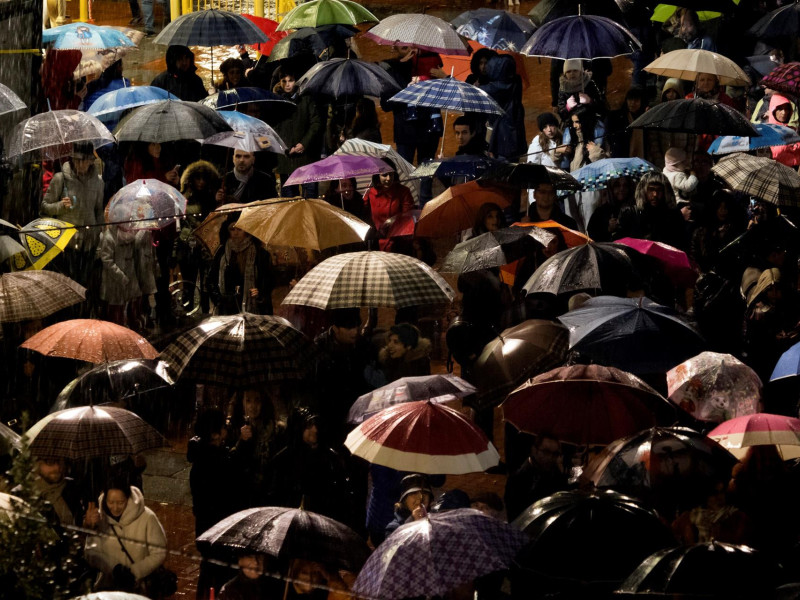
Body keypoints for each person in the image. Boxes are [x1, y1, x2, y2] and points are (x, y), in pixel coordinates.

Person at [265, 407, 354, 526]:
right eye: (308, 426)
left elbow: (340, 494)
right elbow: (275, 495)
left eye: (314, 425)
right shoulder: (283, 459)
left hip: (323, 521)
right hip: (290, 521)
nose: (315, 429)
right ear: (298, 429)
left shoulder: (330, 458)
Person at [84, 482, 167, 593]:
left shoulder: (147, 517)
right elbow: (90, 553)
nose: (115, 507)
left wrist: (135, 572)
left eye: (120, 502)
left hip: (140, 591)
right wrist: (114, 569)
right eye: (111, 502)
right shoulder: (99, 519)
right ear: (105, 500)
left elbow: (159, 553)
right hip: (108, 590)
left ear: (128, 498)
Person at [41, 142, 104, 287]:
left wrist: (99, 237)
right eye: (77, 160)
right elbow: (44, 208)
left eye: (84, 160)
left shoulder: (98, 182)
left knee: (85, 287)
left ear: (90, 161)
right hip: (66, 245)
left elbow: (98, 210)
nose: (80, 164)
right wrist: (60, 206)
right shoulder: (60, 179)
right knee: (68, 285)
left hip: (89, 245)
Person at [314, 308, 372, 446]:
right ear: (335, 328)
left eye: (356, 326)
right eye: (349, 328)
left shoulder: (361, 345)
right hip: (331, 414)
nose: (354, 331)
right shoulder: (320, 347)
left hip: (357, 410)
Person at [272, 65, 324, 197]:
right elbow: (273, 129)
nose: (287, 84)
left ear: (296, 81)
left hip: (307, 159)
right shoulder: (275, 102)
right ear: (280, 82)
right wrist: (285, 148)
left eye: (290, 80)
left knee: (311, 201)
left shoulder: (306, 99)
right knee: (289, 203)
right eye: (284, 81)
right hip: (286, 160)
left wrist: (304, 144)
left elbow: (316, 123)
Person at [208, 214, 274, 315]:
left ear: (246, 231)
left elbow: (268, 277)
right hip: (228, 304)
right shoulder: (222, 252)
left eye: (239, 229)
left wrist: (260, 292)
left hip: (252, 303)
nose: (235, 233)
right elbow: (212, 276)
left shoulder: (260, 253)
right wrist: (218, 298)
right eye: (232, 229)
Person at [178, 160, 221, 314]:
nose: (201, 182)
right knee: (188, 282)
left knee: (207, 281)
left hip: (207, 244)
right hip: (188, 244)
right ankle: (187, 311)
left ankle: (205, 310)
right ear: (191, 179)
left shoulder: (212, 196)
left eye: (204, 178)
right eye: (198, 178)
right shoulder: (184, 197)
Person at [98, 225, 157, 329]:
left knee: (131, 306)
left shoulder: (130, 235)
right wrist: (120, 276)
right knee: (115, 312)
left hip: (130, 277)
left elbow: (137, 246)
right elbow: (107, 260)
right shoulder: (110, 237)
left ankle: (130, 327)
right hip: (115, 282)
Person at [504, 433, 568, 522]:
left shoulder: (557, 476)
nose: (550, 458)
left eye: (555, 454)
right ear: (534, 450)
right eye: (546, 452)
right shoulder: (518, 479)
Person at [479, 55, 527, 162]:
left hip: (501, 141)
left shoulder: (492, 89)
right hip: (516, 136)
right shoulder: (516, 82)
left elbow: (471, 92)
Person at [363, 163, 415, 251]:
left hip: (398, 240)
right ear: (377, 176)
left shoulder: (403, 191)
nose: (389, 178)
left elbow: (408, 215)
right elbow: (365, 214)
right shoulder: (370, 193)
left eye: (391, 174)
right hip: (376, 240)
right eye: (384, 175)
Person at [364, 323, 431, 388]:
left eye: (396, 342)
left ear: (408, 346)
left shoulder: (417, 367)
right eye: (390, 341)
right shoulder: (389, 361)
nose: (390, 345)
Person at [633, 172, 687, 250]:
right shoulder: (633, 212)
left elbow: (681, 241)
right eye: (651, 189)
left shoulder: (673, 214)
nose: (655, 194)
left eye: (659, 190)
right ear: (643, 191)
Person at [31, 457, 86, 528]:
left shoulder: (72, 487)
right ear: (37, 464)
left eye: (60, 461)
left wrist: (88, 524)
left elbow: (80, 526)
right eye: (50, 462)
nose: (57, 467)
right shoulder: (25, 494)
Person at [527, 112, 568, 206]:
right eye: (545, 127)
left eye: (551, 125)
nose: (549, 130)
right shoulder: (537, 143)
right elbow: (532, 170)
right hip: (544, 189)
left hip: (559, 187)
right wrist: (533, 198)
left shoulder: (563, 139)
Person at [586, 176, 638, 242]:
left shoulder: (635, 210)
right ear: (611, 188)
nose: (622, 189)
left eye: (625, 185)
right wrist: (608, 229)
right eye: (617, 185)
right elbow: (591, 238)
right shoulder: (600, 212)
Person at [384, 473, 434, 537]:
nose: (419, 498)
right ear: (405, 500)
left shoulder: (434, 522)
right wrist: (412, 522)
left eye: (424, 493)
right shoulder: (393, 528)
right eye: (414, 493)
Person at [606, 85, 647, 159]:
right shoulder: (617, 116)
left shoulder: (645, 117)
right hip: (621, 156)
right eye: (630, 100)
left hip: (640, 157)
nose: (632, 103)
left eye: (636, 100)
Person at [218, 553, 283, 600]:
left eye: (259, 557)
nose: (256, 562)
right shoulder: (228, 590)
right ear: (240, 561)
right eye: (251, 556)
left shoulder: (275, 588)